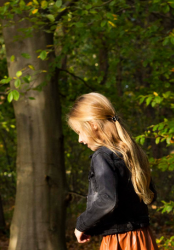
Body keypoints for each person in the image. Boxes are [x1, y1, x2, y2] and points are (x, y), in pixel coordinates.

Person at [68, 93, 158, 250]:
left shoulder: (102, 156)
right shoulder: (132, 151)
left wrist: (81, 225)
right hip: (143, 236)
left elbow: (107, 199)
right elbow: (151, 194)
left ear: (93, 124)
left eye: (79, 132)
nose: (80, 140)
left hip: (120, 241)